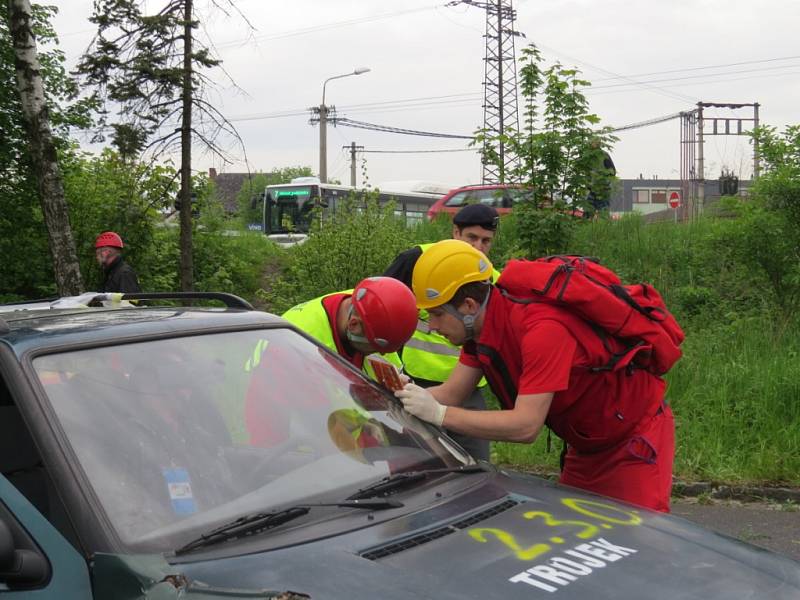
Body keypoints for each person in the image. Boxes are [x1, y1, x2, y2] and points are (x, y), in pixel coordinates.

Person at [395, 240, 675, 512]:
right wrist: (400, 395)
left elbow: (526, 425)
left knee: (635, 544)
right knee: (573, 534)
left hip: (632, 443)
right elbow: (452, 393)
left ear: (468, 306)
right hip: (586, 445)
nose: (430, 326)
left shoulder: (543, 330)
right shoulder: (481, 327)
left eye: (436, 314)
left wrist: (439, 414)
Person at [381, 203, 502, 461]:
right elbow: (382, 311)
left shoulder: (488, 275)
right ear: (455, 232)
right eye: (472, 237)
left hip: (467, 388)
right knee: (415, 462)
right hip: (418, 380)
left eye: (486, 241)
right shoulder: (418, 260)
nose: (478, 247)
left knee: (476, 465)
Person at [280, 276, 418, 375]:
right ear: (353, 325)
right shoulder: (299, 341)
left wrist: (399, 382)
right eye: (375, 347)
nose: (381, 353)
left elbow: (389, 367)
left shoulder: (368, 303)